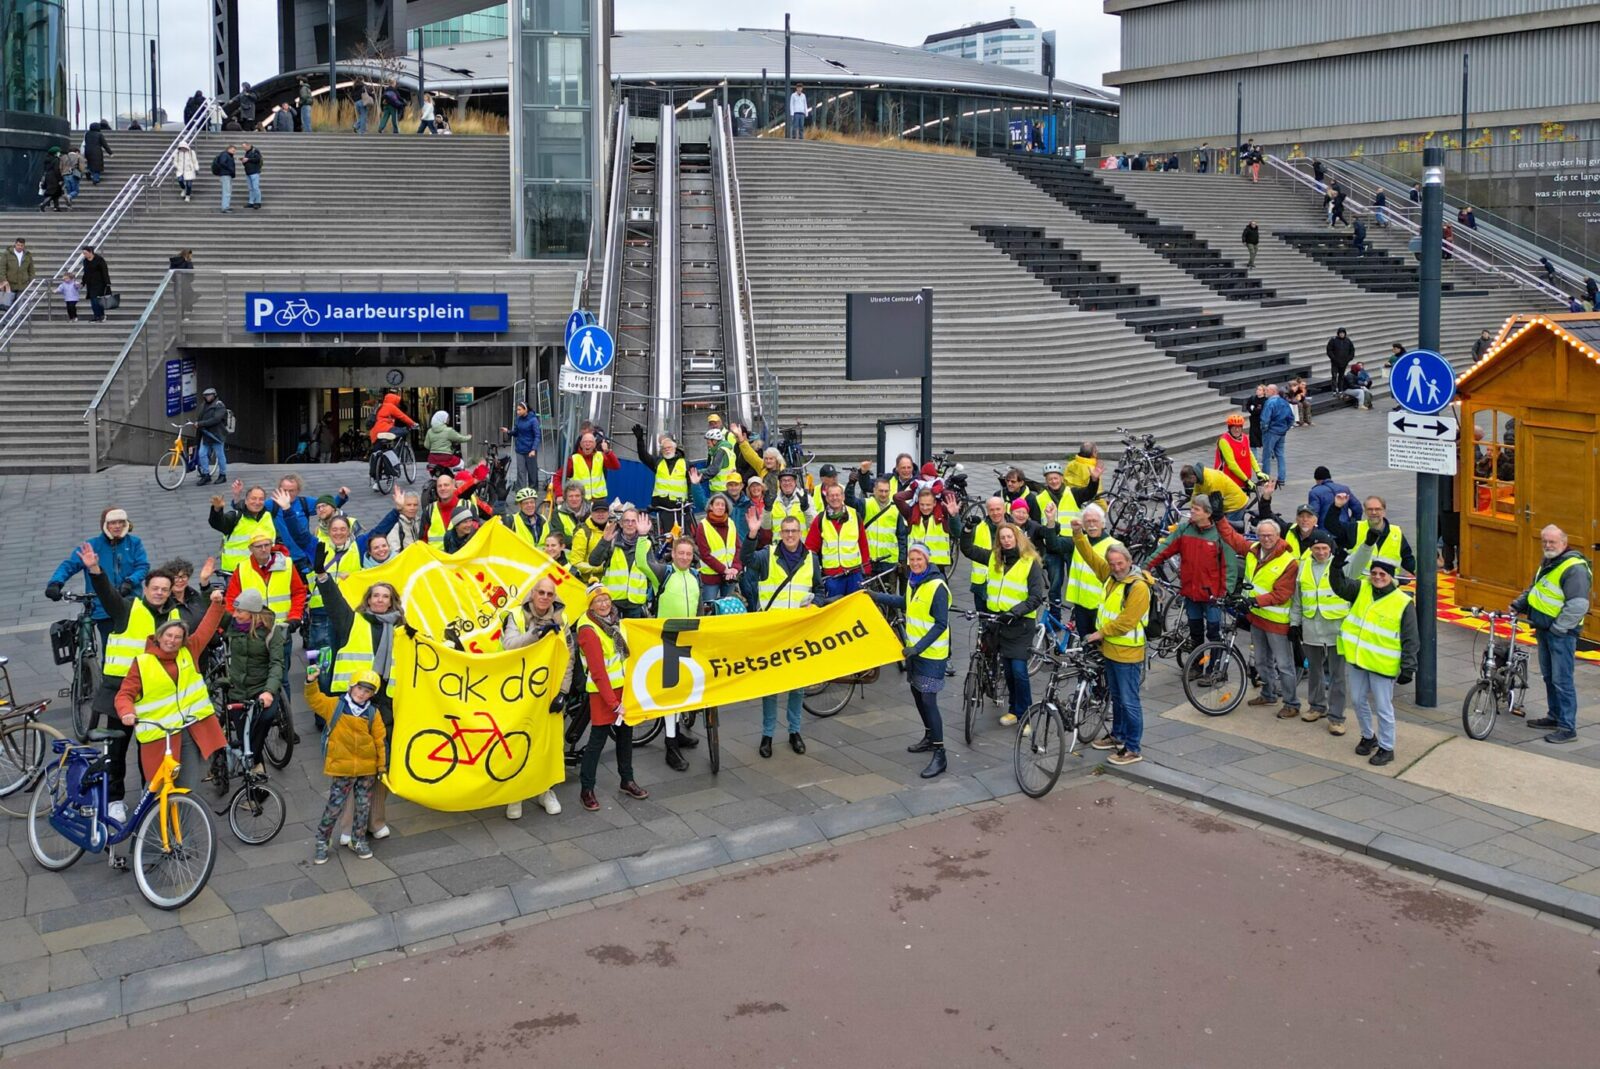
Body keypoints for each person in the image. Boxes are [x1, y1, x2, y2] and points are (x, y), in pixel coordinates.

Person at [314, 568, 402, 839]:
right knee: (354, 767)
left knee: (381, 764)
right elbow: (334, 603)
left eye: (385, 596)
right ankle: (350, 827)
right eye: (375, 595)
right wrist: (323, 579)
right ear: (368, 598)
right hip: (355, 706)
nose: (379, 600)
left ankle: (375, 821)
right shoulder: (352, 621)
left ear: (392, 601)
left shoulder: (402, 629)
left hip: (387, 706)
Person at [114, 596, 228, 803]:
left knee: (188, 788)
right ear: (159, 636)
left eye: (177, 637)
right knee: (157, 789)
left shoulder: (188, 651)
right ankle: (153, 829)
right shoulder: (142, 662)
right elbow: (125, 694)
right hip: (160, 736)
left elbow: (206, 628)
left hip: (188, 731)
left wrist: (217, 603)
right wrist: (126, 712)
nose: (172, 640)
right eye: (168, 635)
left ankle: (183, 831)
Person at [1328, 547, 1418, 767]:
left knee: (1383, 707)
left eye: (1382, 574)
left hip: (1382, 664)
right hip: (1359, 659)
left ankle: (1387, 748)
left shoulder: (1403, 602)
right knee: (1358, 701)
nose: (1377, 577)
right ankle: (1368, 736)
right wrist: (1336, 564)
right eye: (1374, 573)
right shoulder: (1361, 589)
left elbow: (1411, 637)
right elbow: (1338, 585)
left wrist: (1409, 666)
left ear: (1390, 577)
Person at [739, 516, 821, 756]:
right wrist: (752, 534)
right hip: (772, 631)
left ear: (801, 532)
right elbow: (746, 559)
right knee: (771, 686)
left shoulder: (811, 559)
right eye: (786, 531)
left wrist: (815, 602)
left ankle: (795, 731)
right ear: (780, 533)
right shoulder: (768, 555)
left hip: (797, 632)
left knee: (797, 686)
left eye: (794, 531)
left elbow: (819, 589)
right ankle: (768, 734)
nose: (790, 535)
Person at [868, 543, 949, 778]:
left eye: (919, 559)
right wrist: (875, 596)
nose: (915, 563)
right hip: (914, 653)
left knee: (928, 698)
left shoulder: (937, 586)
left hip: (931, 655)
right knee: (917, 694)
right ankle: (928, 735)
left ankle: (940, 752)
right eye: (912, 559)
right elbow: (905, 603)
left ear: (927, 560)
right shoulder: (915, 582)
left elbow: (941, 624)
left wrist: (917, 648)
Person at [1072, 523, 1150, 766]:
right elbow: (1091, 558)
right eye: (1113, 563)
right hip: (1111, 651)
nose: (1116, 567)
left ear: (1129, 561)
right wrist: (1078, 534)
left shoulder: (1138, 587)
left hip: (1127, 653)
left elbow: (1126, 621)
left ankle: (1133, 747)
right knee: (1116, 696)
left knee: (1129, 700)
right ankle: (1118, 735)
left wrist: (1099, 634)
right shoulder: (1111, 576)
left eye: (1120, 563)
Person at [1512, 526, 1591, 744]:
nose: (1547, 545)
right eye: (1544, 541)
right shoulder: (1550, 561)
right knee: (1549, 677)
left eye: (1552, 542)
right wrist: (1518, 604)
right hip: (1545, 629)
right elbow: (1537, 589)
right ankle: (1554, 716)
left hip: (1561, 633)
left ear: (1564, 543)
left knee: (1562, 680)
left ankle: (1568, 727)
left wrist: (1558, 628)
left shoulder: (1574, 568)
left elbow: (1578, 605)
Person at [575, 585, 650, 811]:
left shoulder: (615, 622)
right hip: (604, 694)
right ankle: (586, 789)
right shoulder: (589, 629)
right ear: (590, 605)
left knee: (626, 737)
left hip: (622, 689)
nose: (604, 604)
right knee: (597, 741)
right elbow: (598, 672)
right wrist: (614, 704)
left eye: (606, 599)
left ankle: (627, 780)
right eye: (598, 601)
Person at [1216, 519, 1301, 717]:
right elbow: (1232, 538)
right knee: (1261, 661)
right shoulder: (1254, 549)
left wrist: (1254, 601)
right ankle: (1268, 693)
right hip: (1257, 618)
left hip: (1277, 622)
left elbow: (1282, 594)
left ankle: (1292, 703)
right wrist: (1219, 517)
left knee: (1284, 665)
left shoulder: (1288, 562)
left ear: (1278, 536)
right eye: (1262, 535)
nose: (1266, 539)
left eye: (1270, 535)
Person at [500, 576, 570, 816]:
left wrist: (563, 691)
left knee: (548, 743)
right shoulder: (516, 616)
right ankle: (516, 795)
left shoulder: (563, 619)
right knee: (518, 740)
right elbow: (508, 645)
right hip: (519, 689)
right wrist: (535, 635)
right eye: (541, 593)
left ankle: (545, 790)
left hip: (548, 688)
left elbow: (568, 657)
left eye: (550, 594)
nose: (545, 598)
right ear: (532, 594)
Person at [968, 522, 1046, 728]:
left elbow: (1037, 596)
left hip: (1020, 624)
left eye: (1009, 537)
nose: (1006, 540)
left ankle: (1026, 715)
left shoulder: (1030, 563)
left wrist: (1015, 612)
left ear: (1018, 538)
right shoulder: (995, 558)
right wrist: (966, 529)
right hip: (999, 623)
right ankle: (1014, 709)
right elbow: (968, 550)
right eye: (1002, 538)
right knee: (1009, 670)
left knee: (1019, 670)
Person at [1145, 497, 1239, 664]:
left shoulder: (1220, 534)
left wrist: (1225, 592)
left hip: (1213, 597)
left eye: (1196, 509)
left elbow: (1230, 566)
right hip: (1190, 593)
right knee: (1195, 632)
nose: (1191, 512)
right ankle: (1196, 665)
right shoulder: (1184, 529)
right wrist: (1146, 566)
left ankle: (1214, 668)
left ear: (1208, 513)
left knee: (1213, 633)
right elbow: (1164, 549)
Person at [312, 670, 386, 864]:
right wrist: (310, 682)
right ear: (351, 687)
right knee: (334, 806)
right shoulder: (335, 706)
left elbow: (379, 741)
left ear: (372, 694)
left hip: (366, 769)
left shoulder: (372, 713)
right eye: (360, 688)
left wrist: (381, 766)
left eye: (367, 691)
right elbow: (314, 699)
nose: (362, 694)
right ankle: (322, 840)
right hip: (342, 769)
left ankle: (358, 839)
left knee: (363, 807)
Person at [47, 507, 150, 646]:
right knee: (109, 647)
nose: (117, 526)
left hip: (130, 604)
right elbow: (69, 565)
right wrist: (56, 583)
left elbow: (142, 566)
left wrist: (130, 582)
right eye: (113, 523)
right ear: (105, 525)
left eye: (121, 522)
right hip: (103, 607)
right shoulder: (93, 546)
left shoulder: (134, 543)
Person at [1290, 533, 1349, 735]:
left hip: (1337, 630)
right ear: (1311, 550)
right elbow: (1298, 599)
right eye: (1317, 548)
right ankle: (1316, 707)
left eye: (1325, 548)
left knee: (1337, 676)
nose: (1321, 552)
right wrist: (1294, 623)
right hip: (1311, 629)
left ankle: (1337, 717)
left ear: (1331, 549)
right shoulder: (1304, 566)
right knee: (1314, 672)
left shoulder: (1341, 566)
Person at [223, 588, 285, 768]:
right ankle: (254, 763)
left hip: (262, 687)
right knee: (244, 736)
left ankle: (253, 763)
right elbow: (211, 617)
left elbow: (276, 663)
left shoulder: (271, 632)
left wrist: (269, 691)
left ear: (252, 613)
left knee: (265, 719)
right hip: (238, 689)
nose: (234, 615)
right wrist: (205, 588)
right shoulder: (231, 625)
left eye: (239, 611)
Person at [1338, 495, 1416, 575]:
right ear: (1365, 511)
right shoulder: (1354, 528)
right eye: (1370, 509)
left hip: (1387, 582)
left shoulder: (1396, 532)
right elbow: (1331, 525)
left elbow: (1407, 559)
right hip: (1359, 583)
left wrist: (1419, 573)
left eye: (1377, 509)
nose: (1374, 512)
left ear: (1384, 511)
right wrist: (1336, 507)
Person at [632, 424, 690, 531]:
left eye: (669, 447)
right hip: (662, 506)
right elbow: (643, 457)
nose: (667, 450)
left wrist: (690, 499)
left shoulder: (685, 463)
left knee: (684, 534)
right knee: (667, 536)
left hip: (680, 506)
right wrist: (640, 440)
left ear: (675, 448)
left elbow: (691, 482)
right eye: (664, 449)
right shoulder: (658, 462)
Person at [695, 492, 741, 598]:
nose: (720, 507)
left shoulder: (731, 523)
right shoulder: (703, 526)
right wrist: (724, 569)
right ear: (711, 506)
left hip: (730, 576)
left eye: (723, 505)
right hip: (711, 577)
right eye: (717, 504)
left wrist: (735, 568)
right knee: (710, 608)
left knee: (728, 610)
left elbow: (738, 548)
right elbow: (705, 555)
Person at [1179, 462, 1252, 526]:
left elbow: (1216, 504)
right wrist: (1192, 509)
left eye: (1189, 481)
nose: (1190, 483)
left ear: (1193, 477)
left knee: (1228, 532)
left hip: (1235, 505)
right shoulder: (1199, 479)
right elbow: (1195, 494)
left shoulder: (1212, 480)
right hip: (1227, 504)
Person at [559, 430, 619, 504]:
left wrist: (607, 451)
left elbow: (616, 466)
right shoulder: (573, 459)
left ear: (594, 444)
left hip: (599, 500)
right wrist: (559, 495)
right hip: (580, 500)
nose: (587, 444)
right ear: (581, 444)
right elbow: (557, 476)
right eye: (585, 442)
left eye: (590, 442)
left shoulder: (600, 456)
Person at [501, 401, 541, 494]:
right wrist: (508, 431)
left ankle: (533, 491)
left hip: (530, 449)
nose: (517, 412)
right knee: (521, 471)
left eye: (519, 410)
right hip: (520, 449)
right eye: (517, 410)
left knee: (532, 471)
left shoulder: (533, 420)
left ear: (525, 410)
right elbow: (516, 432)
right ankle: (521, 492)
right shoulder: (518, 419)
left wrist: (533, 449)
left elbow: (537, 436)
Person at [1214, 412, 1261, 489]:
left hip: (1243, 478)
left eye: (1239, 427)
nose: (1237, 429)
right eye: (1234, 427)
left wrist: (1258, 471)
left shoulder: (1245, 437)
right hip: (1229, 478)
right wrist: (1246, 480)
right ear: (1229, 428)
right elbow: (1231, 464)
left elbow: (1250, 455)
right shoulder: (1224, 440)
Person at [1260, 384, 1295, 485]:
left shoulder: (1270, 402)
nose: (1265, 392)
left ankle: (1265, 477)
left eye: (1267, 390)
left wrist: (1264, 429)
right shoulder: (1284, 402)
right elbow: (1291, 418)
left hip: (1271, 432)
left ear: (1273, 391)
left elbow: (1265, 419)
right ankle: (1281, 478)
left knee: (1266, 455)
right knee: (1280, 455)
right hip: (1281, 432)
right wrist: (1285, 428)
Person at [194, 387, 228, 485]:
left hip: (217, 435)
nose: (208, 397)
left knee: (220, 455)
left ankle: (222, 475)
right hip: (206, 435)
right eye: (206, 396)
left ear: (214, 395)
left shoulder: (219, 405)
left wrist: (200, 424)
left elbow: (216, 419)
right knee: (202, 454)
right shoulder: (202, 406)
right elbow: (199, 417)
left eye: (210, 395)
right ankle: (206, 475)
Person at [81, 245, 110, 321]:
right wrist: (83, 283)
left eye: (85, 253)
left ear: (91, 252)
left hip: (99, 283)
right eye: (83, 253)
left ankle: (101, 315)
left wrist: (107, 282)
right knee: (93, 301)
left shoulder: (99, 259)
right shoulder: (85, 261)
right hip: (90, 284)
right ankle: (96, 315)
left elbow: (104, 271)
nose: (84, 255)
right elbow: (85, 273)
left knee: (97, 299)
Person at [2, 238, 34, 305]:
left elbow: (31, 269)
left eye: (21, 245)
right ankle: (10, 316)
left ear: (24, 246)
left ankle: (18, 316)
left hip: (22, 285)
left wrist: (31, 280)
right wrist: (4, 280)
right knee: (8, 305)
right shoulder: (7, 254)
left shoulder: (28, 255)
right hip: (9, 285)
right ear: (15, 244)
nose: (19, 247)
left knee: (19, 305)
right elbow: (2, 268)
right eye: (18, 245)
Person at [1325, 328, 1355, 394]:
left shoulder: (1348, 341)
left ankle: (1340, 389)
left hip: (1344, 362)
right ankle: (1334, 389)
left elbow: (1352, 351)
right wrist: (1333, 358)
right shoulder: (1333, 340)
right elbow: (1329, 350)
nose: (1342, 334)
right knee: (1334, 376)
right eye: (1340, 333)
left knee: (1341, 376)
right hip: (1335, 362)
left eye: (1343, 333)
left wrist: (1348, 359)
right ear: (1338, 334)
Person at [212, 144, 236, 212]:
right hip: (225, 175)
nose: (234, 151)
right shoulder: (225, 154)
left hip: (227, 175)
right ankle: (225, 207)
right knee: (227, 191)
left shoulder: (228, 155)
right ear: (228, 149)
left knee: (228, 191)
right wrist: (230, 169)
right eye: (232, 149)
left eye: (234, 150)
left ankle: (226, 206)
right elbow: (222, 163)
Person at [241, 142, 262, 209]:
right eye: (243, 147)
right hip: (248, 172)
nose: (244, 148)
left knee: (255, 187)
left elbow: (258, 159)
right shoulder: (247, 152)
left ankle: (258, 202)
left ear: (249, 145)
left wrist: (248, 159)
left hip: (254, 172)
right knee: (251, 188)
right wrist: (244, 161)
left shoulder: (255, 150)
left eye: (244, 147)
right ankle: (251, 202)